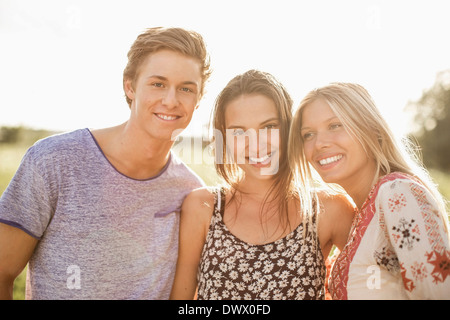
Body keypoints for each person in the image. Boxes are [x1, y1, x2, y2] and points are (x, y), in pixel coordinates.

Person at [0, 27, 211, 299]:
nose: (171, 100)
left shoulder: (190, 193)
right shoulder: (53, 161)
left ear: (199, 99)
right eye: (158, 84)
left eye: (186, 88)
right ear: (130, 86)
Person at [169, 70, 354, 300]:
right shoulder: (202, 207)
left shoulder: (330, 208)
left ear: (289, 128)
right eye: (239, 132)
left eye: (268, 127)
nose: (256, 145)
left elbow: (375, 284)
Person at [289, 82, 450, 299]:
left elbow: (439, 292)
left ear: (372, 130)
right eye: (308, 134)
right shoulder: (364, 212)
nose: (319, 144)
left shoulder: (397, 193)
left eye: (335, 125)